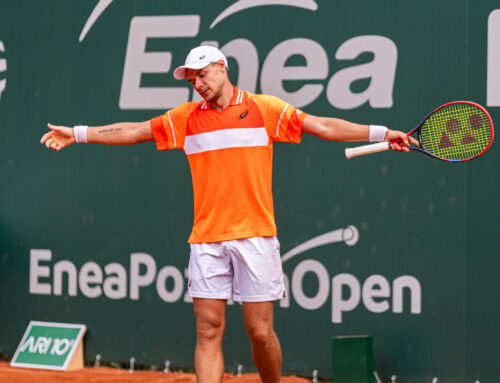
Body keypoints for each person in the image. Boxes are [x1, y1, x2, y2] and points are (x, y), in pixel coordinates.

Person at [41, 46, 417, 383]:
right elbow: (132, 132)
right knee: (207, 331)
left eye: (202, 75)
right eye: (192, 79)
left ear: (222, 68)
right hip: (206, 240)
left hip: (256, 236)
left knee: (260, 333)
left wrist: (382, 133)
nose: (198, 84)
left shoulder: (264, 108)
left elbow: (323, 126)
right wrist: (77, 133)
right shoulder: (185, 118)